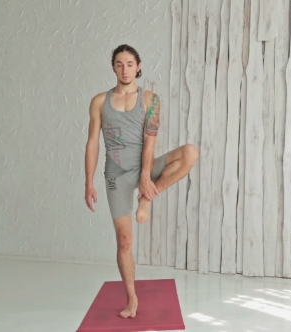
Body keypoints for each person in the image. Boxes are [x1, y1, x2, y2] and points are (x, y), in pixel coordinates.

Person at [83, 44, 198, 318]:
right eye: (120, 64)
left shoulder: (151, 100)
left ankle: (147, 198)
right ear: (113, 67)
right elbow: (92, 143)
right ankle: (132, 300)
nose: (125, 69)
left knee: (190, 152)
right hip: (116, 175)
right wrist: (89, 181)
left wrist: (147, 180)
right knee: (124, 241)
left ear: (139, 66)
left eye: (130, 64)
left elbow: (150, 143)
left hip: (145, 166)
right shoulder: (100, 101)